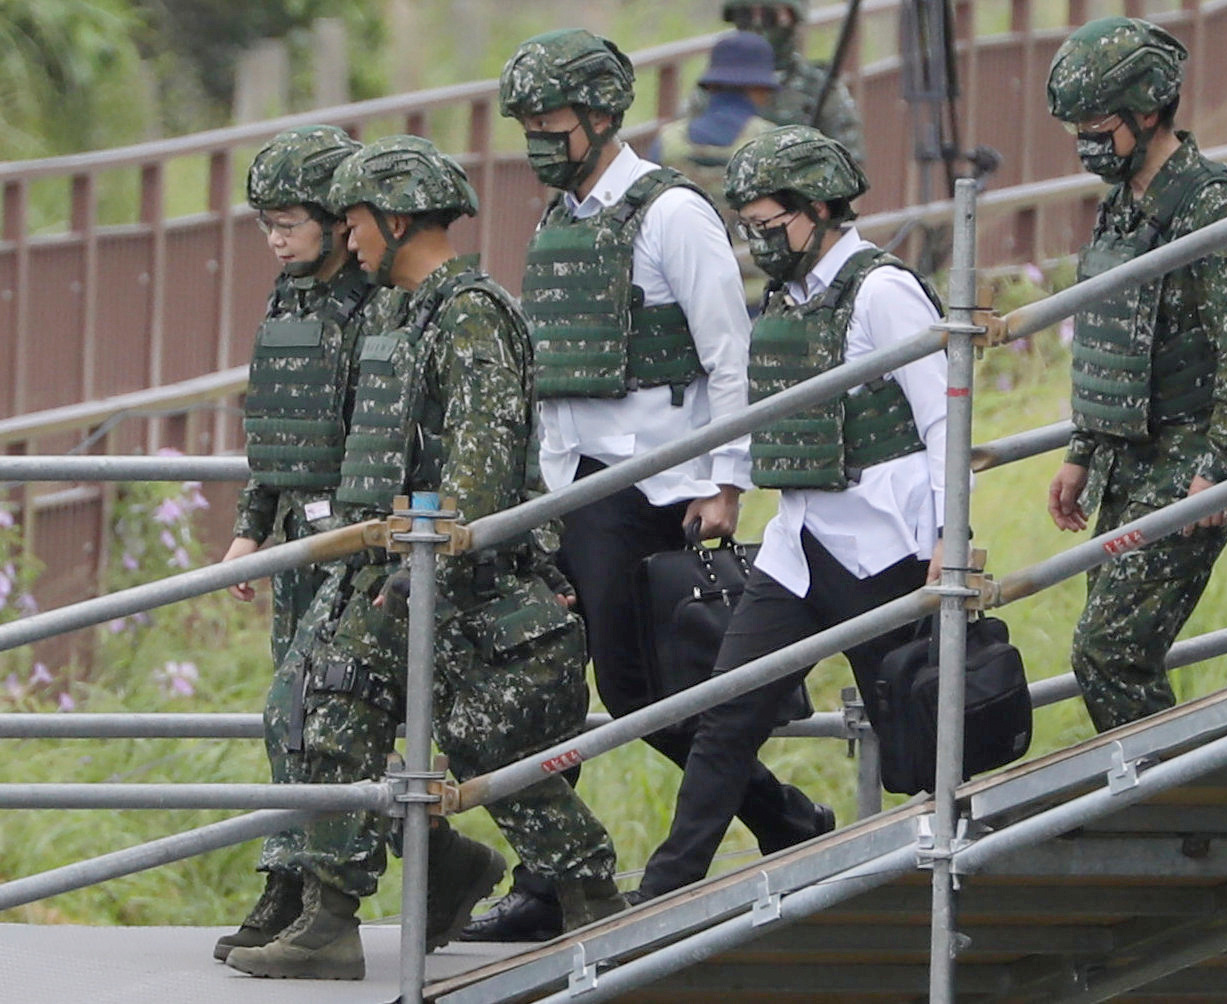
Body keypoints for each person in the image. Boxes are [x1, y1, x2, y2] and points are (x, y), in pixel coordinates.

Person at [225, 135, 625, 981]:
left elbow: (475, 483)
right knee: (320, 707)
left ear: (396, 219)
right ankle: (330, 916)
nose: (348, 236)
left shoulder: (471, 315)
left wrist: (410, 576)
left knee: (494, 754)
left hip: (465, 583)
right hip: (396, 573)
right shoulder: (397, 311)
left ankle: (593, 902)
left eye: (356, 219)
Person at [463, 28, 831, 944]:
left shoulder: (671, 213)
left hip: (651, 484)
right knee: (546, 683)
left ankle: (778, 815)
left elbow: (729, 355)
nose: (537, 139)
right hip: (567, 487)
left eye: (549, 121)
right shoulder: (561, 221)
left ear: (598, 117)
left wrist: (726, 480)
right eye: (525, 124)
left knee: (636, 692)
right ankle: (555, 880)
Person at [632, 124, 947, 900]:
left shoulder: (882, 290)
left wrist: (951, 537)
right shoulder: (788, 297)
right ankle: (664, 892)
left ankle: (939, 877)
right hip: (799, 550)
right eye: (750, 229)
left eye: (770, 226)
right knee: (725, 717)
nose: (760, 243)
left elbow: (945, 416)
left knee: (915, 729)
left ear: (819, 208)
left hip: (887, 551)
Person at [1043, 17, 1227, 732]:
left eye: (1099, 125)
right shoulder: (1121, 206)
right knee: (1110, 648)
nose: (1087, 144)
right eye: (1076, 127)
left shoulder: (1208, 204)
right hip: (1125, 458)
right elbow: (1113, 331)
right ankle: (1155, 792)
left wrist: (1221, 469)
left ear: (1148, 111)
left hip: (1188, 459)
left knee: (1108, 651)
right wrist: (1082, 453)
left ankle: (1167, 798)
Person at [213, 124, 402, 963]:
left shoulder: (378, 302)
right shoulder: (286, 297)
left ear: (335, 219)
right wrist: (250, 527)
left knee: (306, 710)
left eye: (289, 221)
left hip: (356, 536)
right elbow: (276, 425)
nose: (276, 239)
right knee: (290, 721)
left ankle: (319, 897)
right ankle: (289, 886)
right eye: (265, 224)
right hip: (298, 535)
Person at [689, 0, 865, 162]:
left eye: (768, 16)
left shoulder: (818, 88)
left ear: (793, 18)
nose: (756, 24)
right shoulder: (713, 87)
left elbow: (850, 167)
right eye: (744, 16)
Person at [651, 30, 781, 223]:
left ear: (710, 86)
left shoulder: (667, 140)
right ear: (760, 88)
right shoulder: (772, 141)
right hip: (747, 251)